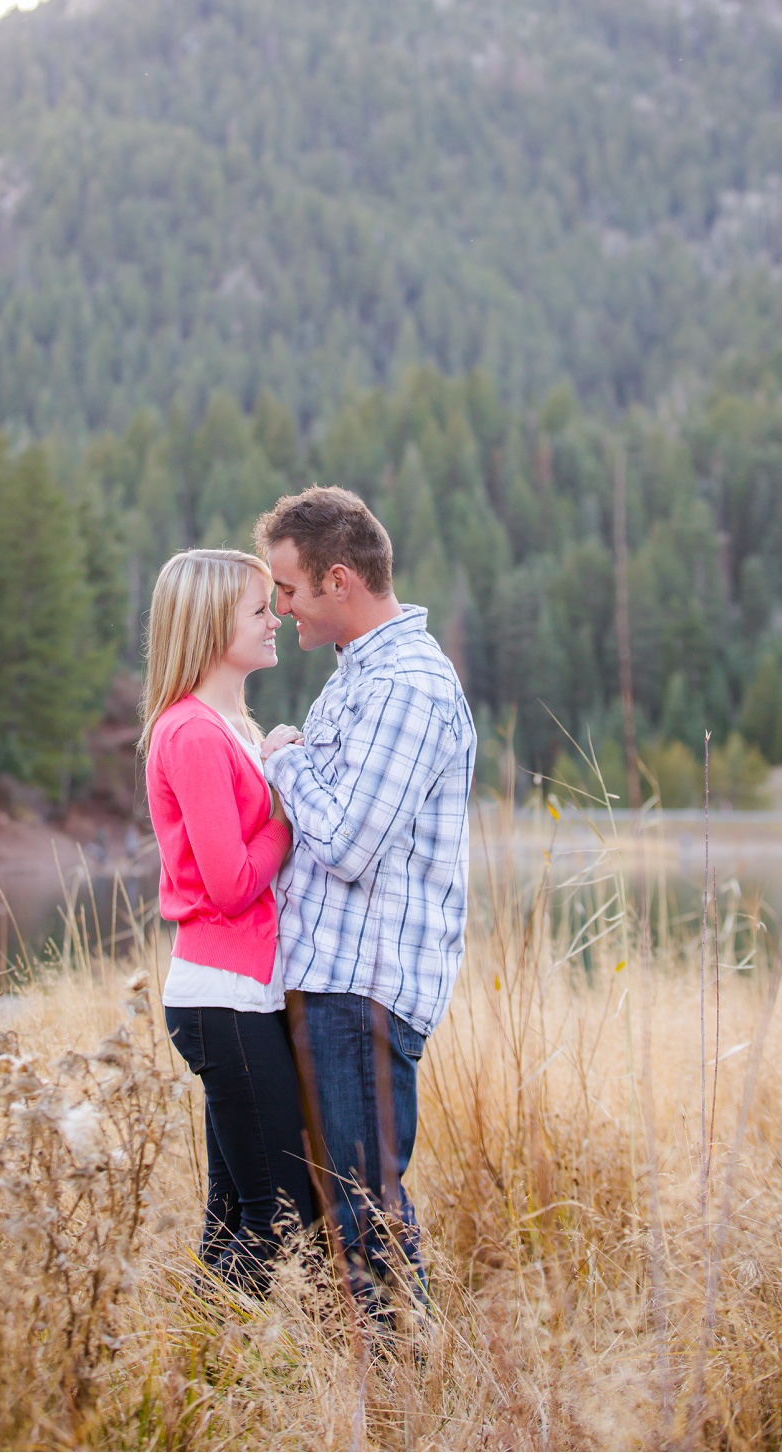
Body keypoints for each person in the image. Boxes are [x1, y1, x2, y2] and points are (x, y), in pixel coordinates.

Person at [254, 486, 475, 1311]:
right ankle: (360, 1400)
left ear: (338, 579)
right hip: (332, 984)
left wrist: (283, 758)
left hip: (364, 991)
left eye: (290, 589)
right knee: (332, 1213)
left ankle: (401, 1409)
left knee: (363, 1214)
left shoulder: (408, 686)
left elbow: (346, 844)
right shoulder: (359, 679)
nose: (282, 609)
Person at [141, 548, 316, 1291]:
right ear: (214, 626)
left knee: (234, 1214)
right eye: (257, 610)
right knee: (277, 1212)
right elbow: (233, 881)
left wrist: (269, 755)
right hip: (224, 998)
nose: (275, 619)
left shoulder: (233, 728)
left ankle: (200, 1377)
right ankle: (207, 1375)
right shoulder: (193, 735)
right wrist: (285, 808)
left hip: (242, 994)